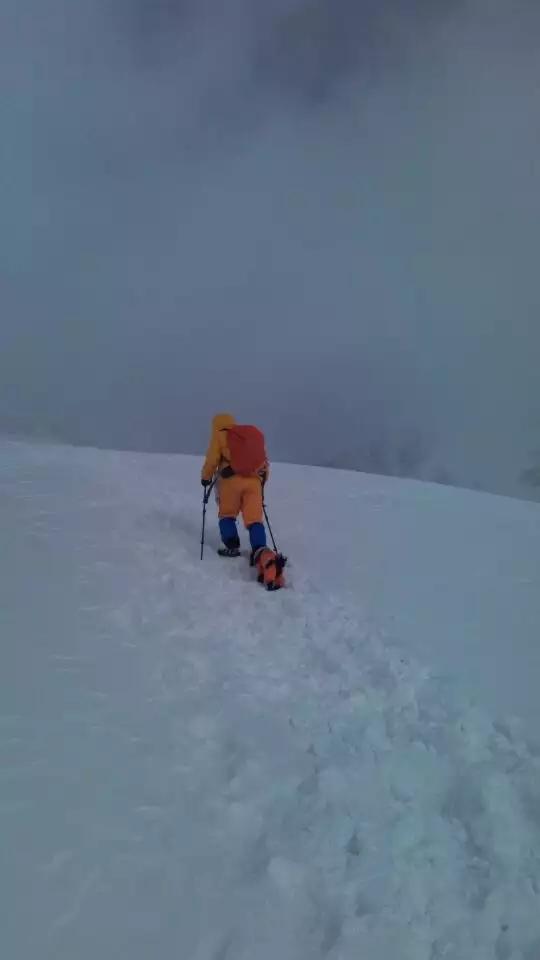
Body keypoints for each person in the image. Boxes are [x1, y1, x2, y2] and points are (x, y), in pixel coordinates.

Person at [201, 413, 268, 559]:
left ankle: (232, 547)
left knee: (227, 514)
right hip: (254, 482)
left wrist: (206, 477)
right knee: (254, 518)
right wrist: (262, 482)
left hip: (230, 482)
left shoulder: (219, 435)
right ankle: (260, 549)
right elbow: (263, 462)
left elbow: (212, 459)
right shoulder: (246, 437)